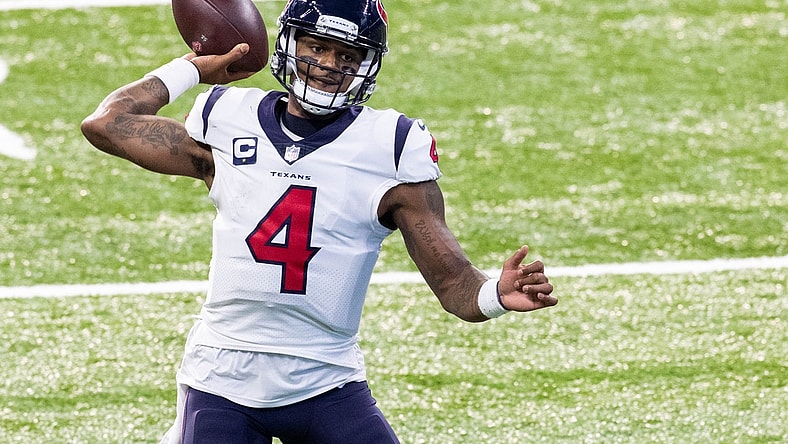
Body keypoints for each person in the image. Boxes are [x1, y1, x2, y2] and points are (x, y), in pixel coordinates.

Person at [81, 0, 557, 442]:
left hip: (325, 380)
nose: (330, 65)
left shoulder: (391, 146)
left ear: (366, 65)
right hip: (220, 376)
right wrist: (191, 68)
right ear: (290, 44)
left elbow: (454, 284)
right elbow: (105, 124)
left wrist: (496, 294)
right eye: (317, 47)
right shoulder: (228, 117)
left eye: (348, 55)